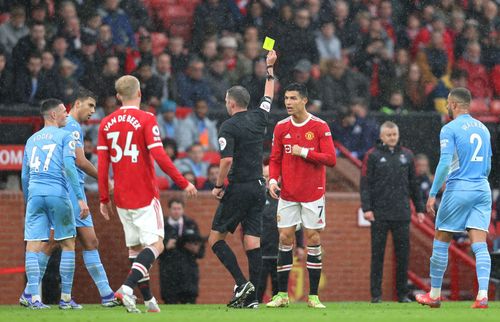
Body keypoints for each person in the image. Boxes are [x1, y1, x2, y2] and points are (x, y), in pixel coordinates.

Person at [97, 75, 197, 313]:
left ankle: (149, 300)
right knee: (156, 245)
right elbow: (161, 157)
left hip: (121, 197)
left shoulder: (106, 123)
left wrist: (103, 198)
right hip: (143, 194)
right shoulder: (147, 118)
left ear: (118, 96)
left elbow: (103, 166)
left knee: (136, 250)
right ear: (139, 93)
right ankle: (127, 288)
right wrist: (183, 182)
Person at [19, 89, 118, 308]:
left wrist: (28, 197)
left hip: (41, 192)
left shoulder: (36, 137)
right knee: (62, 242)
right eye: (90, 105)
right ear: (77, 104)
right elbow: (79, 162)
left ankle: (105, 294)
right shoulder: (69, 129)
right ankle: (52, 296)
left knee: (79, 241)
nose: (93, 111)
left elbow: (25, 173)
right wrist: (104, 181)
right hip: (66, 192)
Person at [209, 50, 277, 309]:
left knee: (215, 240)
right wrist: (270, 68)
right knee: (252, 242)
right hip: (259, 187)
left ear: (231, 102)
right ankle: (254, 299)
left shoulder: (229, 125)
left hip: (239, 187)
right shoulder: (260, 117)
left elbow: (226, 161)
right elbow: (268, 94)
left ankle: (242, 283)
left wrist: (217, 186)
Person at [416, 88, 492, 309]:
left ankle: (435, 294)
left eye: (448, 103)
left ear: (456, 104)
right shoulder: (484, 128)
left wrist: (432, 193)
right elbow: (487, 165)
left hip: (459, 188)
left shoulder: (450, 128)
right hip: (482, 188)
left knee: (441, 238)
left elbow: (444, 164)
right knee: (479, 243)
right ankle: (483, 295)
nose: (446, 107)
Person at [266, 83, 336, 309]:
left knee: (313, 239)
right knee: (285, 238)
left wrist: (304, 152)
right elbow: (275, 159)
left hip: (312, 193)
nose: (288, 102)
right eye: (286, 98)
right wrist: (273, 180)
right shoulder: (280, 127)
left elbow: (331, 159)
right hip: (288, 193)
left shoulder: (319, 126)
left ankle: (313, 296)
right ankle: (281, 295)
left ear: (304, 100)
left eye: (293, 98)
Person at [20, 99, 89, 309]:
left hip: (35, 194)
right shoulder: (65, 135)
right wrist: (79, 198)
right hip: (57, 193)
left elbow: (24, 175)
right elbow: (70, 167)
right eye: (63, 112)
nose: (66, 115)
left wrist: (28, 201)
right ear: (52, 115)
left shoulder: (31, 140)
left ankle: (32, 298)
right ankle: (66, 299)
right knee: (68, 243)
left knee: (33, 246)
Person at [360, 121, 425, 304]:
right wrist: (367, 208)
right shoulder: (372, 156)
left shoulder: (407, 155)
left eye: (394, 134)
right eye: (388, 135)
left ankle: (402, 294)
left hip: (402, 214)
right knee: (377, 256)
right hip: (379, 214)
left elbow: (414, 184)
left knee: (403, 257)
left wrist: (419, 209)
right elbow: (365, 184)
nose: (392, 138)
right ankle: (376, 295)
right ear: (381, 136)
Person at [258, 164, 304, 303]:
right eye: (264, 177)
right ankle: (255, 309)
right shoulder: (258, 198)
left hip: (281, 250)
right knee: (259, 285)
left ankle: (279, 306)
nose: (266, 180)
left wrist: (300, 246)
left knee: (279, 285)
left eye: (269, 176)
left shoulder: (286, 198)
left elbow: (296, 224)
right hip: (261, 251)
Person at [159, 198, 205, 304]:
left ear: (183, 209)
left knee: (189, 305)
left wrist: (193, 248)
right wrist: (165, 246)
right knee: (170, 304)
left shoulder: (191, 224)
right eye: (174, 208)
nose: (176, 211)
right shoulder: (162, 226)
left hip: (188, 272)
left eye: (179, 208)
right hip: (169, 272)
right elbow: (154, 251)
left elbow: (201, 250)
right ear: (169, 209)